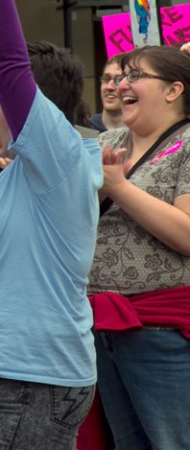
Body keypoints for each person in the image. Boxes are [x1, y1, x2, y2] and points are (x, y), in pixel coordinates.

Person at [0, 0, 103, 449]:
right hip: (20, 378)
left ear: (34, 107)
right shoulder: (29, 166)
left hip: (34, 381)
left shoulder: (58, 156)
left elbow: (7, 64)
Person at [88, 45, 190, 450]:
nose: (121, 84)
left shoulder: (187, 143)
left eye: (135, 75)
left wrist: (119, 187)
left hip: (161, 328)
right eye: (119, 75)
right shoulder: (109, 140)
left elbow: (186, 234)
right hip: (102, 324)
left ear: (173, 90)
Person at [87, 56, 123, 132]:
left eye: (119, 80)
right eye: (106, 79)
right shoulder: (84, 132)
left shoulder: (144, 134)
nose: (110, 87)